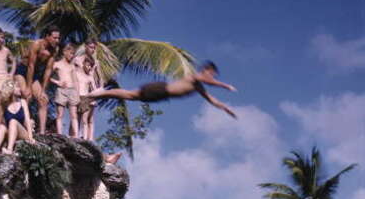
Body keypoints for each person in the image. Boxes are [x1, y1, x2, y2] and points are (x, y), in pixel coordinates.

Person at [88, 61, 237, 118]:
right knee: (130, 94)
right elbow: (209, 82)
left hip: (161, 95)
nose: (211, 76)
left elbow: (211, 99)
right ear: (206, 70)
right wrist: (226, 86)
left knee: (130, 96)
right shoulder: (196, 77)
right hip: (161, 89)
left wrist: (225, 108)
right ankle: (101, 93)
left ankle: (100, 94)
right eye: (212, 74)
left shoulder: (198, 86)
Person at [17, 26, 61, 134]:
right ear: (47, 36)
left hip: (34, 74)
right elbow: (30, 66)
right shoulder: (37, 44)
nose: (57, 40)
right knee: (27, 96)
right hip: (23, 70)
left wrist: (43, 90)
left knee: (43, 99)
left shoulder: (54, 50)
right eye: (54, 38)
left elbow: (48, 70)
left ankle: (42, 132)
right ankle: (22, 127)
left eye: (58, 38)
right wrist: (28, 87)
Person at [0, 85, 35, 153]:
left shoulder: (22, 102)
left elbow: (27, 120)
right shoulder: (4, 105)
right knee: (2, 127)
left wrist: (31, 137)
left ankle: (9, 150)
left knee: (13, 121)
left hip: (22, 132)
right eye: (17, 87)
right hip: (10, 132)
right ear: (11, 90)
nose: (20, 89)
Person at [51, 43, 80, 136]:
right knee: (60, 114)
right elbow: (47, 75)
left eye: (73, 54)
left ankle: (76, 135)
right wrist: (57, 82)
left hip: (72, 90)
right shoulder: (57, 64)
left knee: (74, 115)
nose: (72, 56)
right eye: (71, 53)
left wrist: (77, 93)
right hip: (61, 90)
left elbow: (75, 80)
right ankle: (60, 134)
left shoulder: (72, 66)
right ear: (65, 52)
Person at [75, 56, 97, 140]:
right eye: (88, 65)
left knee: (84, 119)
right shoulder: (77, 73)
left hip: (86, 98)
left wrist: (94, 100)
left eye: (90, 66)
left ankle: (84, 138)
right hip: (77, 97)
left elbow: (94, 89)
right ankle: (76, 136)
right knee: (77, 118)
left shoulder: (90, 77)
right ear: (83, 64)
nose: (89, 67)